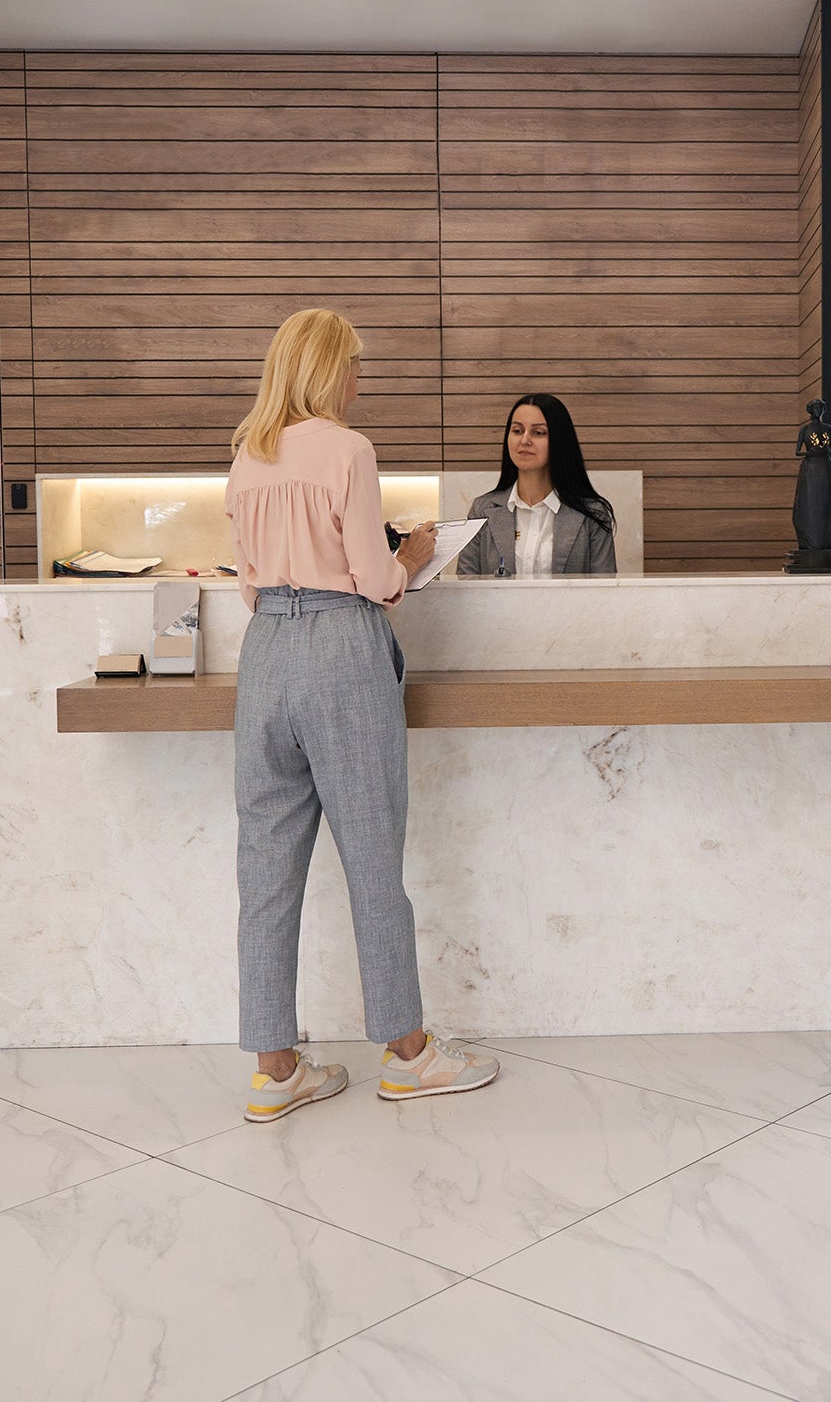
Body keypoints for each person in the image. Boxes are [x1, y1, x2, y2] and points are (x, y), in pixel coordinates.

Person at [224, 308, 500, 1121]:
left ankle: (277, 1069)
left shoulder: (248, 456)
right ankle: (408, 1055)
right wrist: (413, 554)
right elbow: (376, 577)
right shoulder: (349, 449)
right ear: (325, 370)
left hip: (265, 650)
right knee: (373, 855)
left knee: (265, 867)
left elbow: (247, 578)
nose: (357, 380)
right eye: (353, 366)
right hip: (341, 649)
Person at [454, 392, 619, 578]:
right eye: (517, 431)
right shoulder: (482, 510)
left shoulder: (592, 514)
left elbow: (604, 593)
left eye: (538, 433)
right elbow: (465, 586)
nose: (525, 440)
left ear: (559, 441)